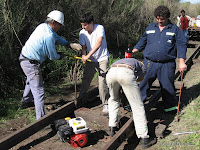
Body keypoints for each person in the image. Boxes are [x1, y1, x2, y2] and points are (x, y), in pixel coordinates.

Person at [19, 10, 82, 120]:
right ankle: (41, 119)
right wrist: (60, 56)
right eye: (59, 25)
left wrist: (69, 44)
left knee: (31, 81)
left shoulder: (43, 26)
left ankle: (25, 102)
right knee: (39, 91)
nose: (60, 27)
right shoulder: (48, 36)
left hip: (24, 59)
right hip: (30, 62)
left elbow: (57, 38)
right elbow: (52, 56)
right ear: (53, 22)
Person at [132, 5, 187, 114]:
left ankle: (171, 108)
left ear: (167, 17)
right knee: (144, 83)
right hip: (149, 63)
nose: (160, 21)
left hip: (166, 64)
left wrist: (181, 61)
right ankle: (137, 105)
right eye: (157, 18)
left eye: (162, 19)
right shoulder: (150, 28)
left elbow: (181, 45)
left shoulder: (175, 29)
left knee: (167, 86)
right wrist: (133, 51)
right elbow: (142, 41)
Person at [106, 58, 157, 149]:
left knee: (113, 99)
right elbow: (141, 78)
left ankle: (112, 127)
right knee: (137, 105)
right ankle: (144, 138)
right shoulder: (142, 66)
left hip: (111, 73)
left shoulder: (123, 60)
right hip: (126, 73)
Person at [78, 12, 109, 114]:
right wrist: (84, 55)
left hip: (102, 58)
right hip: (91, 60)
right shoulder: (82, 33)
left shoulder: (99, 28)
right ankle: (80, 100)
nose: (83, 27)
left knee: (102, 82)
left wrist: (88, 55)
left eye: (85, 25)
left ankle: (106, 104)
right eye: (82, 25)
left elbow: (99, 43)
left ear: (91, 23)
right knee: (86, 79)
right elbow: (83, 48)